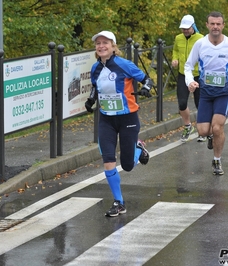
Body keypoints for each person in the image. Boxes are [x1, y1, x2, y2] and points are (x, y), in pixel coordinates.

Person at [85, 30, 152, 216]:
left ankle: (138, 148)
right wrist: (91, 101)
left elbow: (147, 79)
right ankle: (119, 202)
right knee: (108, 161)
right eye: (98, 43)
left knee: (128, 165)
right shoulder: (95, 68)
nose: (101, 46)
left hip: (127, 118)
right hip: (106, 119)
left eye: (105, 43)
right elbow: (95, 87)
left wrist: (146, 88)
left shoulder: (124, 64)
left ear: (113, 46)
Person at [184, 11, 228, 175]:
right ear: (207, 25)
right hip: (205, 92)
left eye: (218, 24)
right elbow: (188, 66)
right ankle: (211, 137)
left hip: (224, 92)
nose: (215, 27)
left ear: (223, 25)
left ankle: (217, 161)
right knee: (203, 131)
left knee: (217, 127)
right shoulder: (200, 44)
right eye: (212, 24)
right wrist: (190, 81)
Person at [172, 14, 205, 142]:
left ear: (193, 27)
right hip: (183, 74)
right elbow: (175, 50)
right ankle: (187, 126)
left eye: (187, 28)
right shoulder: (178, 38)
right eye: (183, 28)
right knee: (182, 103)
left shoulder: (201, 38)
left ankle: (202, 129)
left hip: (197, 75)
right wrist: (175, 59)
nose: (185, 31)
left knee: (200, 104)